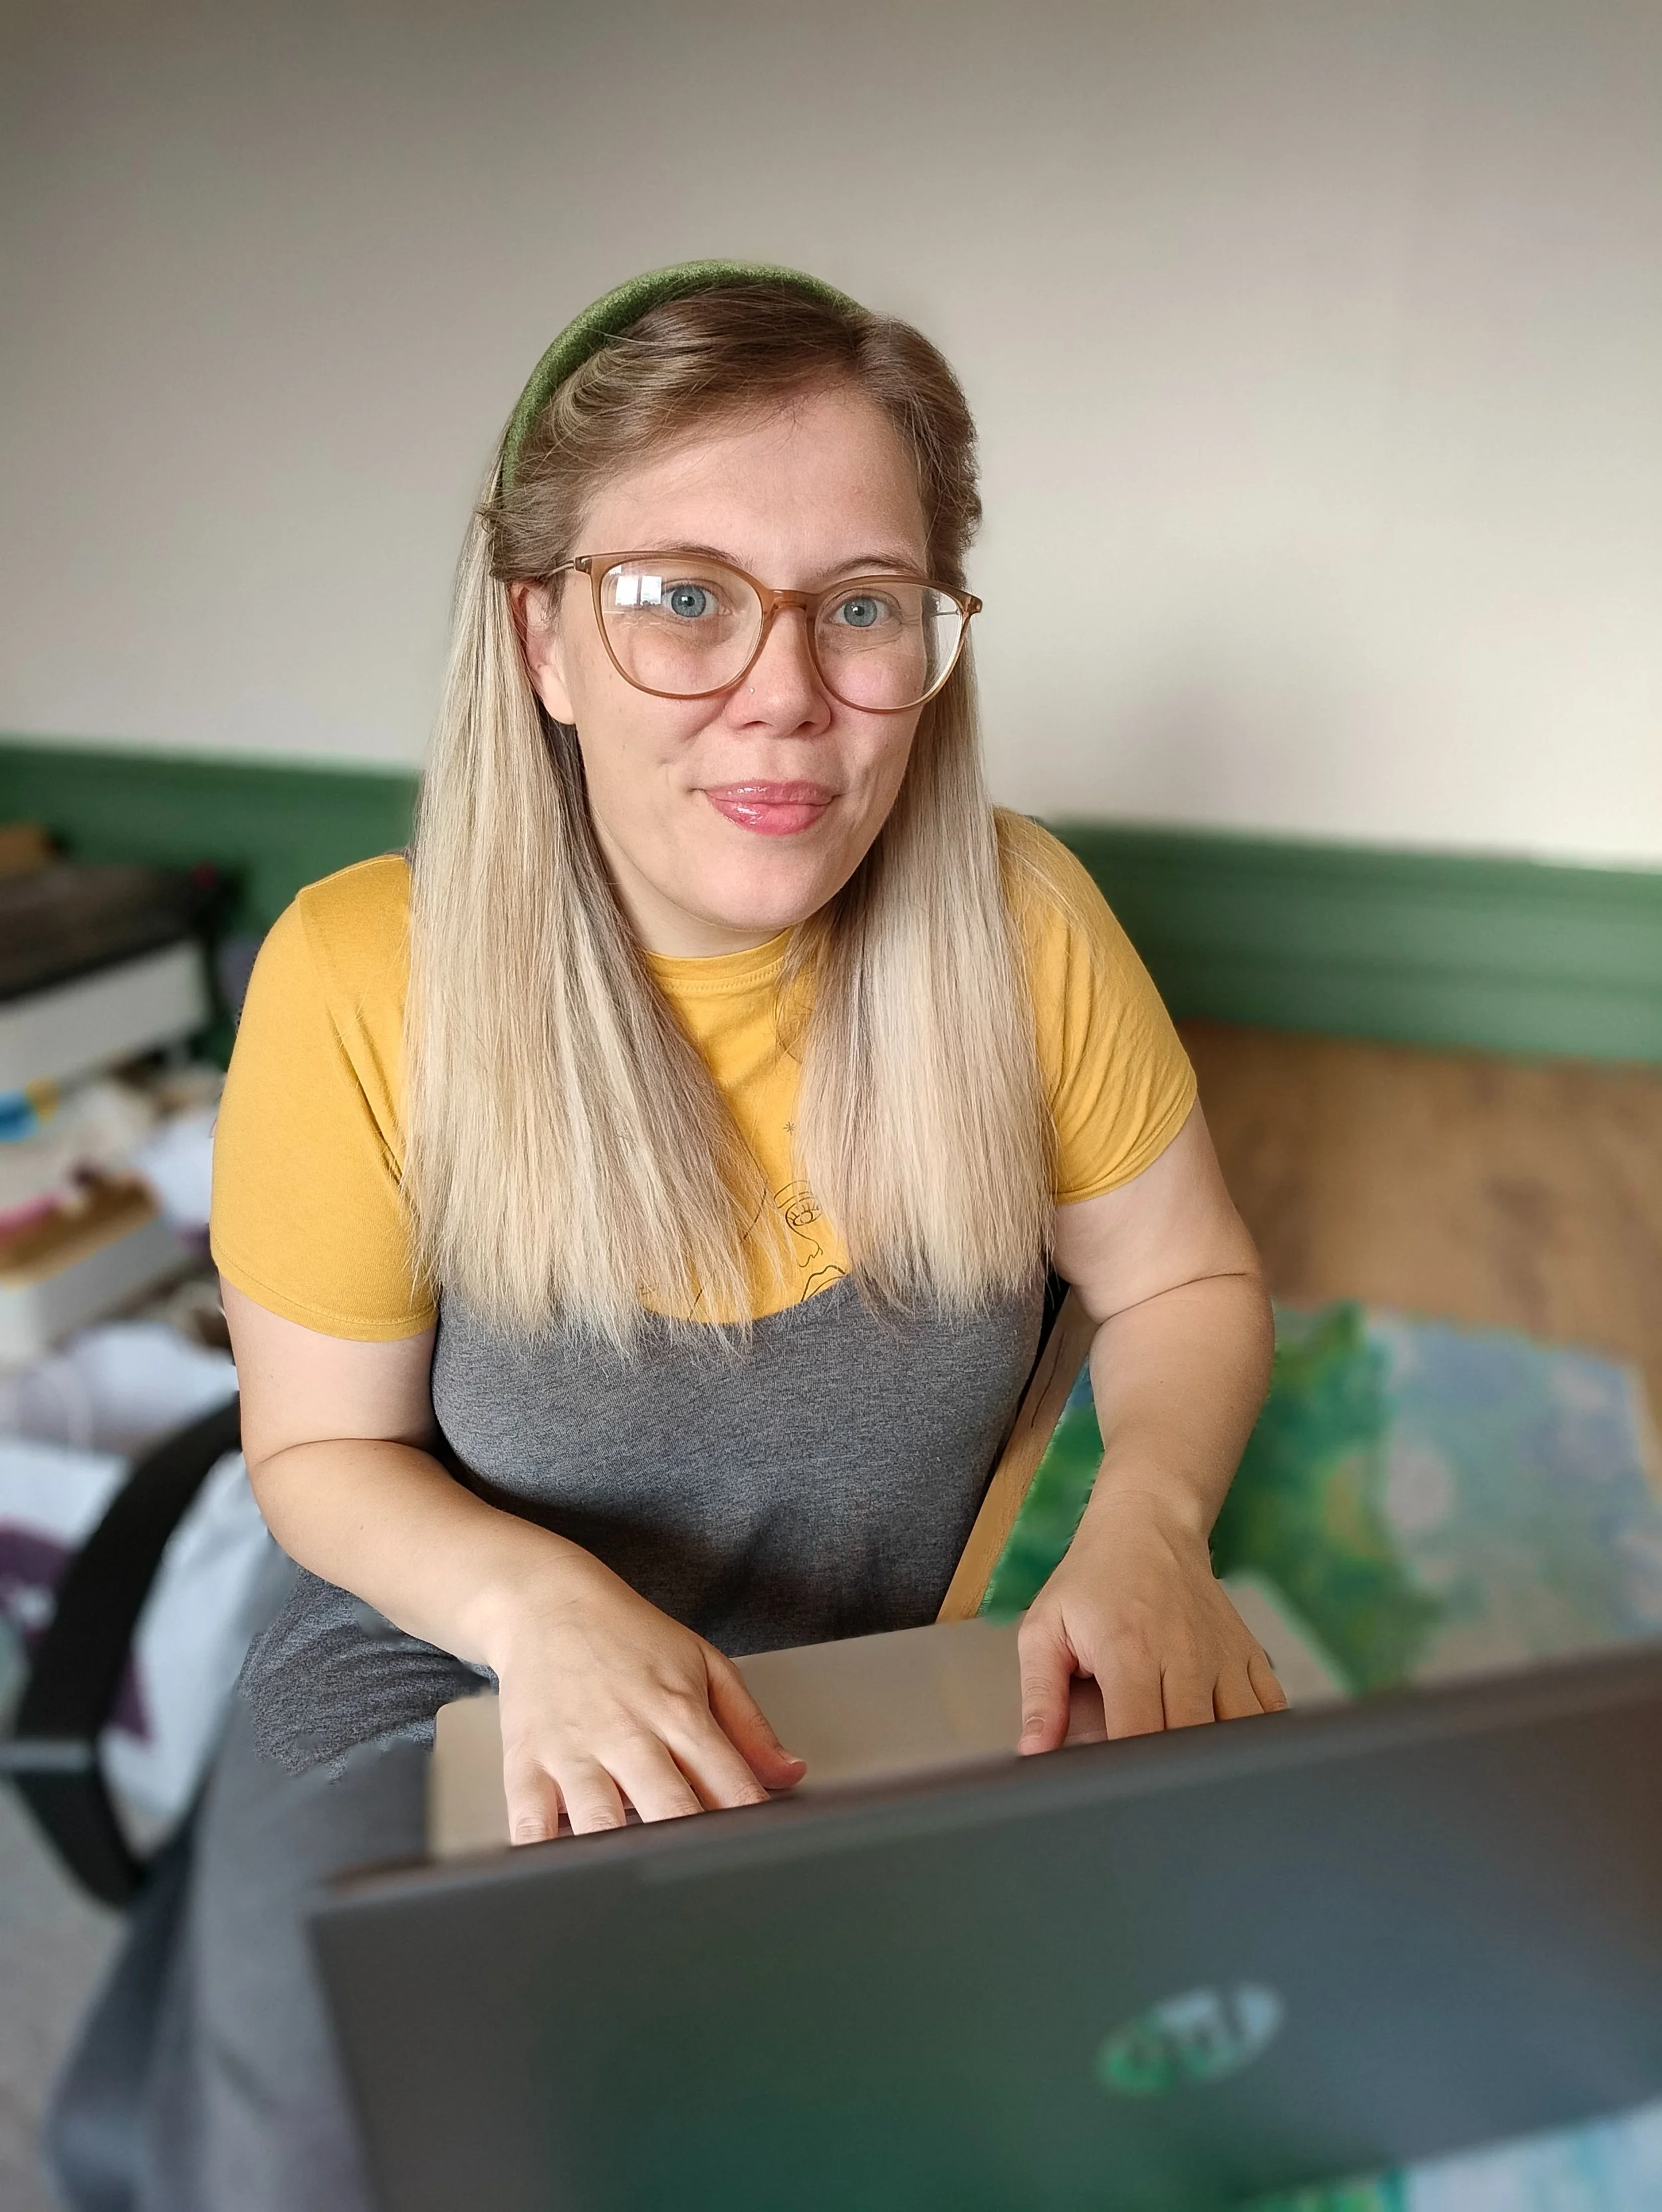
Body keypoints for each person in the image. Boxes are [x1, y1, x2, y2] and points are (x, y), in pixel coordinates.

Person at [146, 262, 1284, 2209]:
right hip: (450, 1658)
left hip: (885, 1670)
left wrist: (1146, 1522)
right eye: (680, 596)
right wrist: (542, 1620)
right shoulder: (361, 974)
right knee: (374, 2132)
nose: (785, 692)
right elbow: (319, 1451)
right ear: (541, 639)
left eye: (860, 608)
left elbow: (1183, 1281)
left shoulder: (1021, 925)